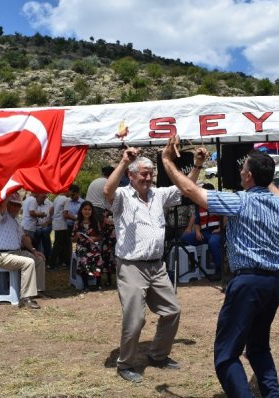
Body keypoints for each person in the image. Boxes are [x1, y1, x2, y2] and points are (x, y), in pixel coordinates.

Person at [161, 138, 279, 398]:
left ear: (249, 176)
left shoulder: (240, 201)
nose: (240, 172)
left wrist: (166, 162)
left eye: (243, 170)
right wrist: (263, 164)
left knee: (226, 355)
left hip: (248, 282)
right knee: (258, 347)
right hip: (275, 281)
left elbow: (190, 190)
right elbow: (270, 183)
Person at [104, 146, 201, 384]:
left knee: (172, 311)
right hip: (131, 266)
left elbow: (185, 189)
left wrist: (197, 165)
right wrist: (124, 161)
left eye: (150, 174)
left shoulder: (159, 194)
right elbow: (107, 191)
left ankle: (158, 355)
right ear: (131, 175)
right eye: (143, 174)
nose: (148, 178)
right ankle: (125, 364)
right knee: (135, 318)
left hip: (157, 266)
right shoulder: (122, 196)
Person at [0, 192, 45, 309]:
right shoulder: (0, 215)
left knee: (39, 259)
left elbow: (24, 237)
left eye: (18, 205)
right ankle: (25, 297)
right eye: (13, 204)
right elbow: (3, 205)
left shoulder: (15, 220)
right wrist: (9, 191)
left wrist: (34, 250)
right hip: (1, 255)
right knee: (28, 263)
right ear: (7, 204)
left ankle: (37, 290)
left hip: (15, 252)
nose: (16, 207)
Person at [179, 183, 223, 279]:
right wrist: (198, 232)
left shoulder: (219, 203)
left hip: (216, 232)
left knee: (213, 242)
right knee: (184, 238)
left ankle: (219, 270)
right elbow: (197, 222)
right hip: (204, 233)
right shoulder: (199, 204)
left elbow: (226, 218)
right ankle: (193, 264)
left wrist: (220, 229)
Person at [71, 200, 103, 292]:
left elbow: (100, 236)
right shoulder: (77, 223)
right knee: (84, 259)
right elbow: (72, 239)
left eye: (89, 209)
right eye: (85, 209)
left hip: (93, 247)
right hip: (82, 248)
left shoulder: (95, 222)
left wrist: (94, 238)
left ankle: (98, 283)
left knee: (97, 258)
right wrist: (76, 237)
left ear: (92, 211)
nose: (87, 211)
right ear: (81, 210)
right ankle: (86, 285)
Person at [22, 192, 53, 261]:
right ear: (37, 194)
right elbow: (32, 213)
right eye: (42, 197)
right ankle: (33, 261)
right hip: (29, 226)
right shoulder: (33, 200)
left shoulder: (27, 199)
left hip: (26, 225)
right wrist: (41, 214)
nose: (43, 199)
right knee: (29, 245)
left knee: (27, 246)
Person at [50, 189, 71, 269]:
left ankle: (64, 262)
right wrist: (75, 218)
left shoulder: (57, 198)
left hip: (56, 224)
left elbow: (50, 210)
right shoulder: (66, 199)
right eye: (70, 191)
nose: (70, 193)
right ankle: (52, 264)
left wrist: (54, 217)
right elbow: (65, 215)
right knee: (58, 245)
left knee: (64, 244)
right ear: (67, 190)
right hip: (62, 225)